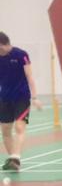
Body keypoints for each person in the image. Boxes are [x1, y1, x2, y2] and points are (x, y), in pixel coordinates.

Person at [0, 33, 42, 172]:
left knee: (19, 127)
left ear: (4, 44)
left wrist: (35, 98)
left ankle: (16, 158)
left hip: (22, 97)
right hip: (4, 98)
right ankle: (12, 158)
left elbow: (30, 76)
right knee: (5, 130)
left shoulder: (21, 54)